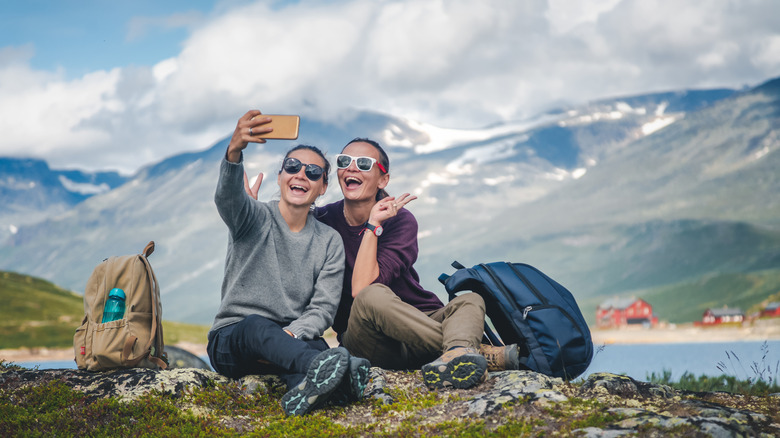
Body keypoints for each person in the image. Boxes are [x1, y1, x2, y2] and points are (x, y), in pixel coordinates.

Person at [313, 138, 517, 389]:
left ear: (382, 180)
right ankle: (472, 351)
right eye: (345, 162)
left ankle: (458, 352)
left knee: (470, 299)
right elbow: (361, 290)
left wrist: (375, 224)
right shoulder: (321, 220)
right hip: (369, 338)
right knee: (371, 296)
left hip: (419, 319)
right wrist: (372, 225)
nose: (352, 168)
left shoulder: (401, 221)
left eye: (364, 164)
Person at [207, 110, 370, 417]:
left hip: (290, 341)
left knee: (319, 346)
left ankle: (305, 394)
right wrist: (234, 150)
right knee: (258, 327)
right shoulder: (252, 217)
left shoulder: (329, 241)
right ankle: (331, 372)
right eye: (292, 166)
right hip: (234, 339)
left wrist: (292, 335)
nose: (300, 174)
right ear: (281, 176)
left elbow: (322, 309)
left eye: (312, 172)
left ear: (322, 187)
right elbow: (227, 199)